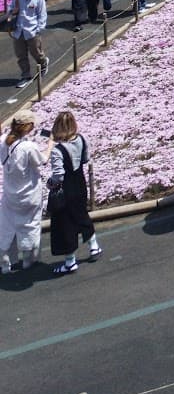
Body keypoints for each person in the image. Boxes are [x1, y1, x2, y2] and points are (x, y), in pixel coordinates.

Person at [47, 110, 100, 275]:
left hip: (66, 189)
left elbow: (58, 175)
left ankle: (70, 262)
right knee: (82, 214)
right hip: (80, 183)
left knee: (65, 224)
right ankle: (94, 246)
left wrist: (50, 183)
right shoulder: (82, 139)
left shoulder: (57, 150)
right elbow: (86, 159)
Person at [0, 112, 46, 271]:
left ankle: (6, 263)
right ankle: (28, 261)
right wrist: (52, 142)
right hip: (29, 195)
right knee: (30, 226)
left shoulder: (3, 141)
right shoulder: (29, 147)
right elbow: (42, 161)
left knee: (7, 227)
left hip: (9, 195)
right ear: (28, 127)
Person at [6, 0, 48, 88]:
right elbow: (9, 10)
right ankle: (26, 76)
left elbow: (42, 15)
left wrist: (38, 29)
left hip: (32, 31)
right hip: (18, 31)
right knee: (21, 55)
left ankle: (43, 63)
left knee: (36, 53)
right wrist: (12, 12)